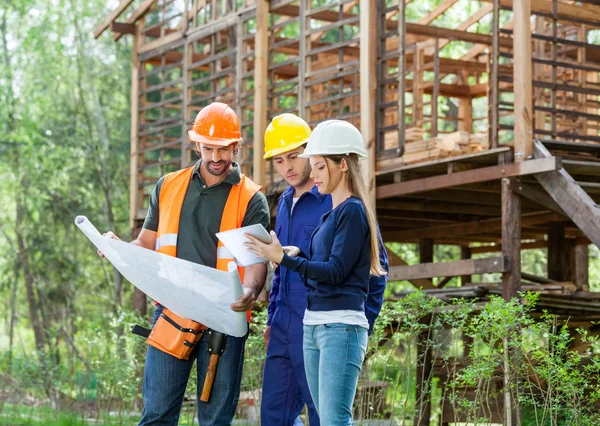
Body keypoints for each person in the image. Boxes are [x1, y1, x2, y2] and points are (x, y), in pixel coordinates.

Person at [100, 102, 270, 426]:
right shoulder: (167, 186)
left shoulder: (250, 198)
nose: (217, 158)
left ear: (236, 147)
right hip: (172, 311)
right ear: (196, 145)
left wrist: (250, 290)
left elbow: (256, 264)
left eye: (224, 150)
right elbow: (145, 245)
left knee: (215, 420)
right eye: (209, 149)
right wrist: (119, 249)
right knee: (157, 417)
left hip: (224, 319)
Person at [247, 119, 387, 425]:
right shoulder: (284, 202)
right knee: (274, 417)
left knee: (327, 417)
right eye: (279, 161)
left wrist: (360, 325)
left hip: (332, 324)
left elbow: (376, 272)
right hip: (293, 325)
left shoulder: (340, 202)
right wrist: (273, 319)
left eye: (295, 156)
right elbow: (283, 272)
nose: (288, 167)